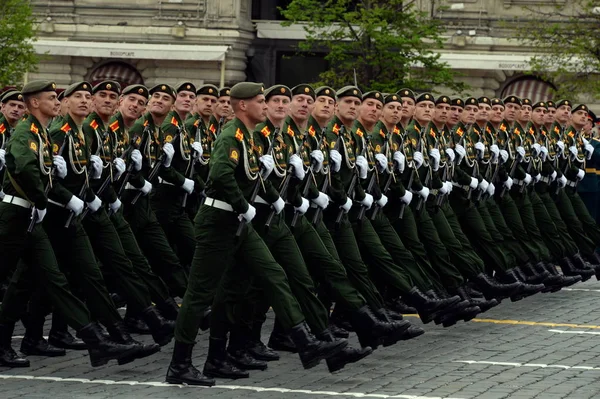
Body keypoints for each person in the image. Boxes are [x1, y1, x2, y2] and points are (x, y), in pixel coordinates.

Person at [166, 82, 347, 387]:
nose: (265, 106)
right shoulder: (231, 136)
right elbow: (220, 174)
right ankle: (179, 364)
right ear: (242, 106)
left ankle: (304, 342)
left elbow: (248, 177)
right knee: (199, 295)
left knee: (272, 274)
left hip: (238, 220)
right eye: (260, 101)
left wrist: (265, 198)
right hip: (218, 220)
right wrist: (242, 204)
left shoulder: (248, 137)